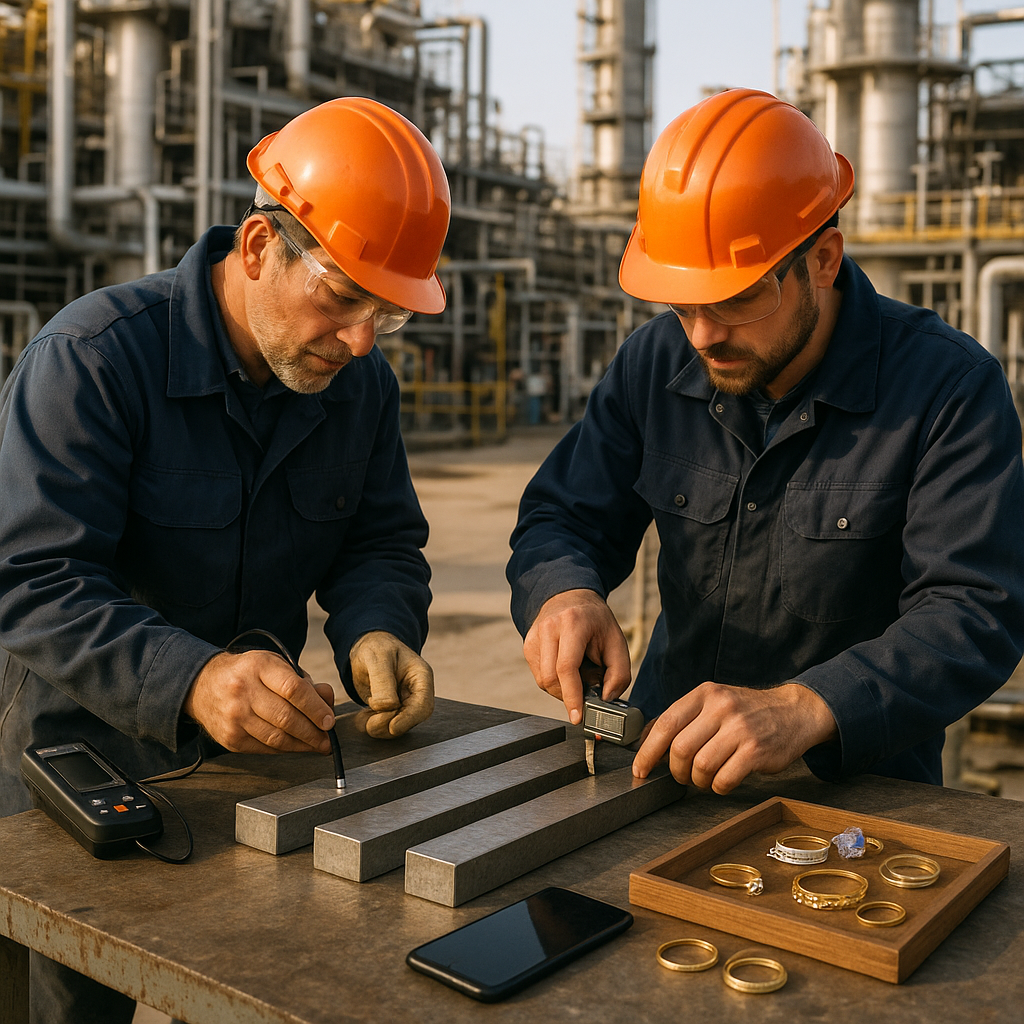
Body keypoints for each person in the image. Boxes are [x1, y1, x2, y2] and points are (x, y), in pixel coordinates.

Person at [0, 96, 449, 1022]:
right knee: (81, 996)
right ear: (257, 248)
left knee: (256, 982)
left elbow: (379, 540)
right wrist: (192, 679)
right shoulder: (93, 359)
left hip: (256, 764)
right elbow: (32, 579)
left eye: (389, 315)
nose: (363, 339)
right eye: (342, 295)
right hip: (81, 764)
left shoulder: (355, 386)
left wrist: (377, 627)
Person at [507, 88, 1024, 796]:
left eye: (737, 299)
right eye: (683, 303)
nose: (703, 335)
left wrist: (811, 706)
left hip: (856, 798)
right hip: (664, 775)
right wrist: (561, 592)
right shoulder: (656, 363)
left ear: (823, 260)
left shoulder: (947, 388)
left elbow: (976, 609)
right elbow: (562, 514)